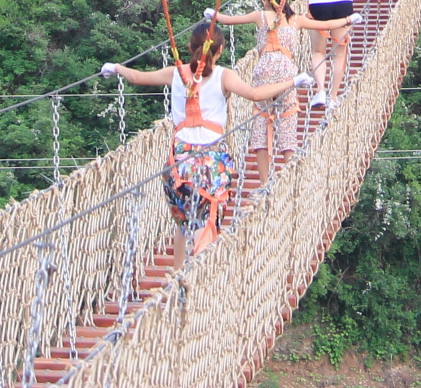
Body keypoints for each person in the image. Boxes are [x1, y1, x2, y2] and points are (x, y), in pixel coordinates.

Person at [103, 21, 308, 249]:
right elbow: (255, 94)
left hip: (179, 160)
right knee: (207, 221)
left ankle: (178, 276)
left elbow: (138, 78)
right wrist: (294, 81)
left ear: (191, 47)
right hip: (212, 159)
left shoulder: (176, 73)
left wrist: (115, 68)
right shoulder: (223, 76)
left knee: (184, 223)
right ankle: (197, 274)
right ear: (219, 50)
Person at [213, 0, 334, 171]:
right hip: (287, 72)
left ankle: (263, 183)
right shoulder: (295, 19)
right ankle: (288, 174)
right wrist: (348, 19)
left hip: (264, 72)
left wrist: (213, 14)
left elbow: (228, 20)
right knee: (287, 117)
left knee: (261, 119)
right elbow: (325, 25)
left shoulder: (260, 16)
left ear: (267, 1)